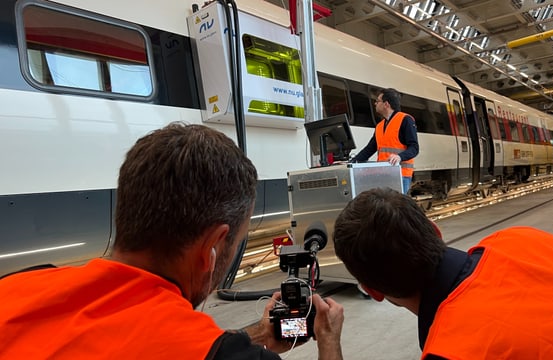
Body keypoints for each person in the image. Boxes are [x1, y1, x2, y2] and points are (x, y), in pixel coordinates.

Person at [0, 123, 344, 360]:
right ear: (212, 248)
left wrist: (260, 335)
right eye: (236, 243)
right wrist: (328, 340)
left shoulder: (17, 287)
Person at [333, 187, 553, 359]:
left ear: (371, 290)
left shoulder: (449, 353)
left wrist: (329, 344)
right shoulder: (521, 238)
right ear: (437, 232)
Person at [350, 88, 419, 195]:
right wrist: (352, 162)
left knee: (396, 209)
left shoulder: (405, 120)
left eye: (378, 101)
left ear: (386, 104)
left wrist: (399, 157)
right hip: (383, 174)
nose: (375, 103)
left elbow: (414, 148)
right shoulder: (380, 126)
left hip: (400, 174)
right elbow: (369, 149)